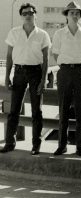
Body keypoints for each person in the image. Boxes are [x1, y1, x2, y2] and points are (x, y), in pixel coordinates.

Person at [0, 3, 51, 155]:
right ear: (21, 16)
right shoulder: (14, 33)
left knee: (37, 111)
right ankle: (9, 143)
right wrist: (8, 76)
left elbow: (46, 60)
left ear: (35, 14)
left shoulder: (43, 34)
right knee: (14, 109)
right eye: (25, 13)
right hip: (19, 72)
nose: (28, 15)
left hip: (36, 72)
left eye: (30, 12)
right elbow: (9, 56)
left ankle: (36, 145)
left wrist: (43, 80)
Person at [52, 1, 81, 156]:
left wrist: (79, 68)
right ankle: (62, 145)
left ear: (80, 16)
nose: (75, 15)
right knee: (63, 109)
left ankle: (80, 146)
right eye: (71, 13)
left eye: (77, 13)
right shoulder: (59, 33)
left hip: (80, 72)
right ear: (66, 16)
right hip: (65, 72)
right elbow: (56, 53)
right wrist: (66, 65)